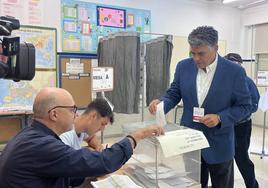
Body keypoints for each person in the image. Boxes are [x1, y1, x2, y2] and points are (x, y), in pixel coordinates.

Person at [149, 26, 252, 188]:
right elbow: (174, 93)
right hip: (190, 140)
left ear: (216, 48)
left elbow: (245, 106)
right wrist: (161, 103)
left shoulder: (234, 72)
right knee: (194, 184)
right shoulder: (183, 66)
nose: (196, 58)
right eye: (192, 53)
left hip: (220, 143)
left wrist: (220, 118)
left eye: (201, 53)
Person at [0, 87, 164, 188]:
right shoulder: (41, 146)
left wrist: (86, 171)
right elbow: (104, 161)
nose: (76, 114)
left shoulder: (31, 136)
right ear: (54, 114)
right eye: (72, 109)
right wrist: (137, 136)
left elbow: (65, 171)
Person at [225, 53, 260, 188]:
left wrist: (236, 115)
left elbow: (254, 105)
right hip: (224, 125)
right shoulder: (223, 81)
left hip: (241, 126)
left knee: (241, 158)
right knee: (225, 160)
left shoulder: (247, 81)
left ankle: (252, 185)